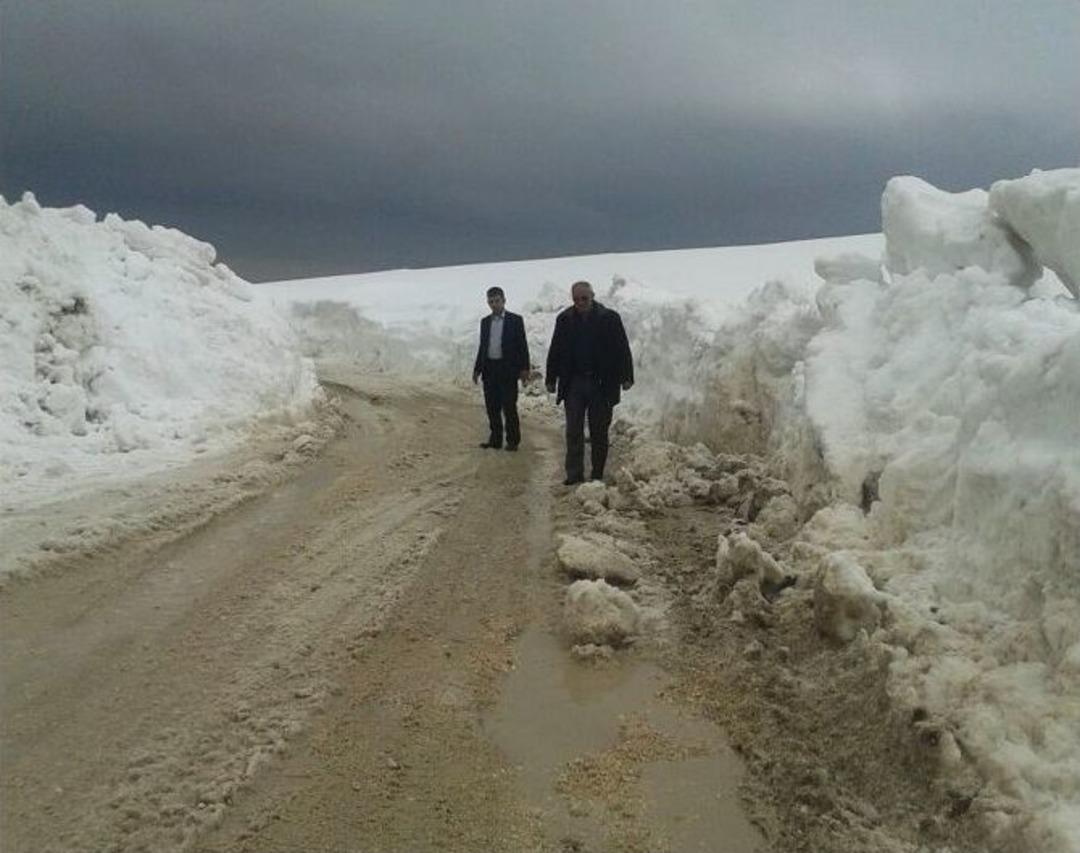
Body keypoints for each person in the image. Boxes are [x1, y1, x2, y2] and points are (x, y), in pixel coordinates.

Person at [545, 281, 634, 485]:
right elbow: (556, 349)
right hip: (574, 382)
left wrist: (626, 376)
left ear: (593, 296)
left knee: (599, 431)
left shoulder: (609, 318)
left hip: (601, 383)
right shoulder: (565, 319)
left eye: (584, 298)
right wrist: (551, 378)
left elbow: (622, 348)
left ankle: (597, 473)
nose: (580, 303)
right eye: (576, 299)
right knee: (573, 430)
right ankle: (574, 473)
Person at [473, 286, 531, 450]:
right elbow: (483, 346)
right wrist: (477, 369)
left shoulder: (515, 320)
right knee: (492, 407)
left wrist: (524, 368)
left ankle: (513, 441)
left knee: (509, 406)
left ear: (504, 300)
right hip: (490, 368)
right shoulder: (485, 322)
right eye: (491, 301)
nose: (494, 304)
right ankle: (495, 439)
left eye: (497, 301)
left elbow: (522, 345)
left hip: (507, 369)